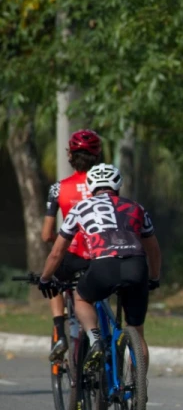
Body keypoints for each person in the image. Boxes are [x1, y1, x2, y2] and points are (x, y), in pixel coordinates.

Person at [38, 164, 161, 369]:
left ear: (91, 186)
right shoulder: (137, 207)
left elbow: (57, 252)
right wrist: (154, 278)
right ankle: (139, 391)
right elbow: (154, 250)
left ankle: (94, 338)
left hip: (103, 265)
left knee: (82, 296)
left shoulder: (81, 208)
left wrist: (45, 278)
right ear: (118, 186)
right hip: (136, 266)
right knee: (137, 331)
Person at [42, 129, 103, 360]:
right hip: (103, 255)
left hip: (73, 255)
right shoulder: (106, 186)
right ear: (97, 156)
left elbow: (46, 234)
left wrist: (64, 238)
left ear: (70, 156)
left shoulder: (58, 188)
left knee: (51, 276)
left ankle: (59, 331)